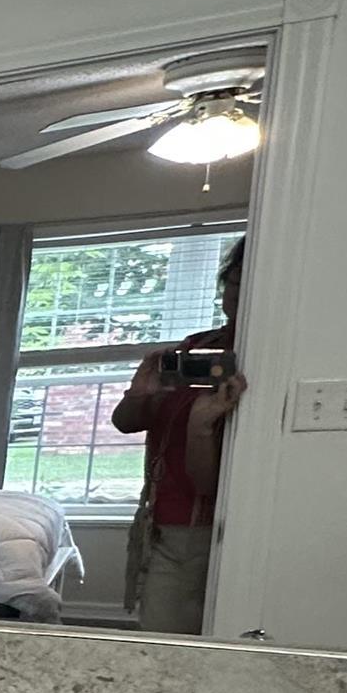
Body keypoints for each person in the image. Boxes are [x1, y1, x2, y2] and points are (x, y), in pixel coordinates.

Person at [111, 240, 245, 634]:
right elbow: (125, 422)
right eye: (231, 283)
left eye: (244, 283)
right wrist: (140, 393)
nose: (235, 294)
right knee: (156, 631)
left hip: (200, 531)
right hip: (158, 520)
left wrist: (201, 427)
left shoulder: (258, 356)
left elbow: (208, 486)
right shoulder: (198, 348)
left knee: (167, 645)